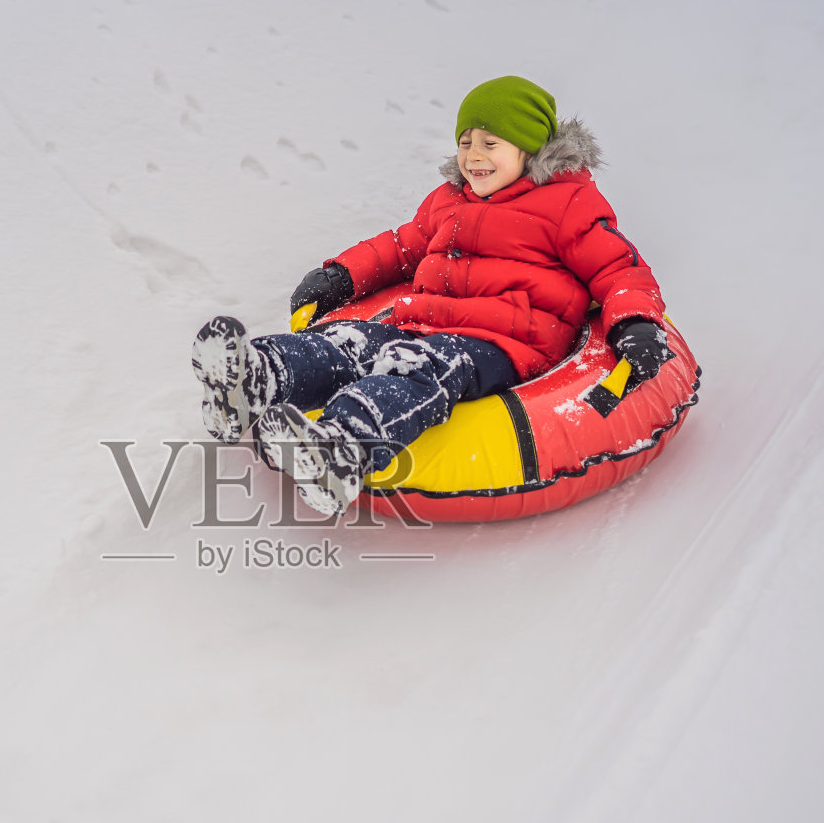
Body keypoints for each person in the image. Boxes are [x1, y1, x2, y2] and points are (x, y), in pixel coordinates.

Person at [192, 75, 673, 517]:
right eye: (465, 143)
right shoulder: (451, 198)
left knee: (414, 368)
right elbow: (402, 245)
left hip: (503, 340)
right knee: (350, 342)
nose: (473, 156)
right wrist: (343, 275)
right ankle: (255, 378)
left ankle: (342, 450)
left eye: (490, 143)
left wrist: (636, 322)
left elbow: (617, 268)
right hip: (426, 319)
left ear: (530, 148)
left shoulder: (567, 203)